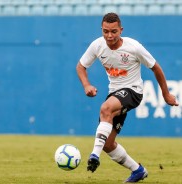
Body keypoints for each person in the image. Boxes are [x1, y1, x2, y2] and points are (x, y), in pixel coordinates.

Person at [76, 12, 179, 183]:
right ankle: (138, 170)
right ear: (101, 29)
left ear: (121, 30)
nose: (109, 36)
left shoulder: (134, 47)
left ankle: (94, 154)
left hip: (133, 91)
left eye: (114, 31)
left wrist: (166, 94)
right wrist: (86, 85)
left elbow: (156, 68)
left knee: (105, 109)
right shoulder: (97, 45)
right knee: (108, 144)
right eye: (106, 31)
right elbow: (80, 66)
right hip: (114, 94)